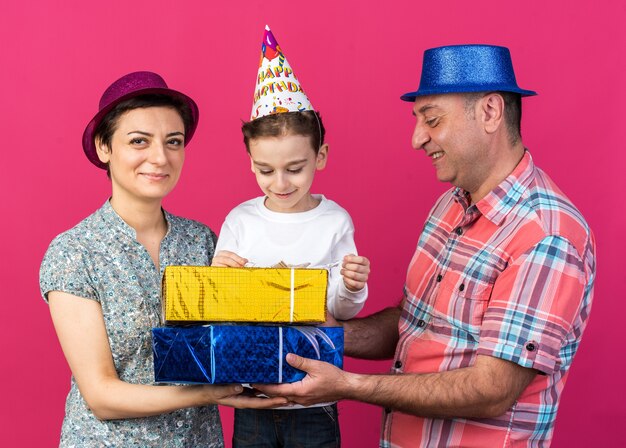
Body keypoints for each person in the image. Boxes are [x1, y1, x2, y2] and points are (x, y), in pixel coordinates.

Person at [258, 44, 597, 447]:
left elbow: (493, 390)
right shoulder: (449, 206)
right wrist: (323, 332)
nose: (418, 138)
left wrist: (348, 385)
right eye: (418, 120)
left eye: (431, 120)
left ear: (490, 112)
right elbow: (414, 323)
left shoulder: (546, 234)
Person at [39, 71, 286, 447]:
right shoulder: (75, 253)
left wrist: (268, 292)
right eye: (139, 141)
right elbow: (102, 396)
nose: (160, 157)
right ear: (104, 147)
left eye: (174, 142)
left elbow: (230, 344)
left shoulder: (202, 241)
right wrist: (207, 394)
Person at [212, 26, 370, 447]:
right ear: (250, 162)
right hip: (254, 396)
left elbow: (339, 309)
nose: (279, 182)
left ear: (320, 156)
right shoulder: (241, 220)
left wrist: (352, 286)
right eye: (266, 170)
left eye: (295, 168)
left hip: (315, 399)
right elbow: (222, 311)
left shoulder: (335, 221)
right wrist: (218, 278)